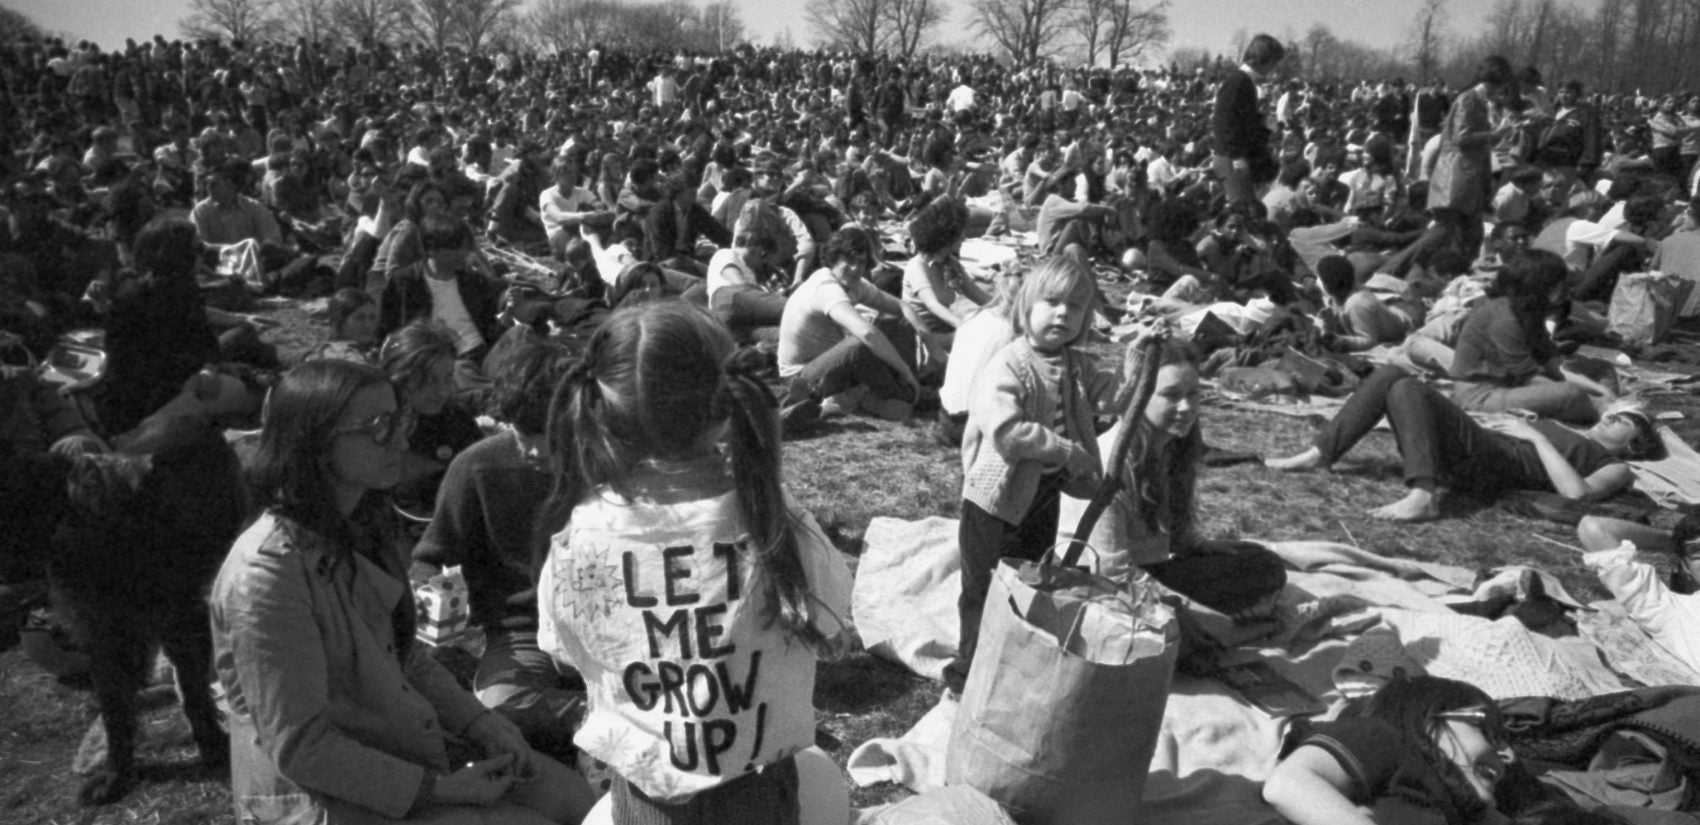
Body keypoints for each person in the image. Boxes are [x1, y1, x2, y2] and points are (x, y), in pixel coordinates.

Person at [210, 358, 596, 825]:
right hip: (320, 801)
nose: (401, 439)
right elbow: (302, 749)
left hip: (405, 749)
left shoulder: (360, 527)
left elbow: (403, 658)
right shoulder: (266, 577)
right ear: (313, 441)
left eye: (401, 420)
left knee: (591, 808)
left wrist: (482, 723)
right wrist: (438, 790)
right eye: (378, 426)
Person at [534, 300, 852, 824]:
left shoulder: (581, 535)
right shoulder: (775, 518)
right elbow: (832, 618)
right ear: (726, 405)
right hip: (759, 790)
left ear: (601, 409)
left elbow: (562, 649)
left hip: (643, 796)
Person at [944, 256, 1124, 696]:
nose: (1064, 313)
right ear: (1027, 306)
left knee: (1032, 577)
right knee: (984, 587)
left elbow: (1116, 397)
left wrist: (1141, 354)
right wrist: (1065, 451)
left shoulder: (1078, 365)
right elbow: (1007, 433)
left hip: (1044, 494)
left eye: (1077, 307)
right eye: (1053, 302)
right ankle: (968, 670)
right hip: (996, 500)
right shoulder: (1009, 363)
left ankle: (1015, 658)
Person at [412, 339, 586, 766]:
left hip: (612, 626)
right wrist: (432, 601)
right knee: (499, 702)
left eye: (549, 434)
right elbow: (432, 555)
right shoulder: (477, 467)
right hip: (524, 631)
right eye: (522, 433)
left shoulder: (613, 461)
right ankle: (599, 717)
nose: (535, 449)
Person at [1058, 333, 1287, 619]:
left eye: (1193, 394)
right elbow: (1110, 572)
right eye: (1171, 395)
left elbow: (1170, 530)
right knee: (1255, 577)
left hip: (1147, 567)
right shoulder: (1111, 465)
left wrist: (1199, 547)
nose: (1187, 407)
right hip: (1094, 582)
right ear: (1138, 397)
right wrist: (1183, 605)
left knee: (1261, 562)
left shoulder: (1171, 446)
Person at [1266, 365, 1661, 521]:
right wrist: (1524, 425)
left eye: (1628, 420)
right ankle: (1321, 453)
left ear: (1635, 445)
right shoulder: (1570, 426)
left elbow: (1577, 493)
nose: (1614, 416)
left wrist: (1537, 438)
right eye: (1616, 410)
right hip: (1485, 447)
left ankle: (1423, 493)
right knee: (1391, 376)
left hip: (1494, 466)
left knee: (1407, 386)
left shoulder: (1618, 467)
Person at [1264, 675, 1526, 825]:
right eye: (1489, 731)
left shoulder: (1462, 805)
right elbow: (1291, 783)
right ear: (1425, 717)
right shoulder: (1386, 737)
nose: (1508, 756)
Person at [777, 227, 939, 430]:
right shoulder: (826, 288)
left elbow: (902, 306)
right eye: (850, 261)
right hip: (802, 377)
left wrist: (933, 347)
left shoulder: (854, 284)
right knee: (859, 344)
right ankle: (905, 395)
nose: (855, 268)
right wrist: (904, 369)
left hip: (830, 366)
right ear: (834, 259)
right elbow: (867, 334)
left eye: (861, 262)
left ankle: (901, 391)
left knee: (898, 323)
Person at [1450, 250, 1609, 424]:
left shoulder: (1531, 311)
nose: (1564, 288)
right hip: (1482, 394)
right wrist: (1593, 399)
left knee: (1600, 368)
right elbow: (1528, 377)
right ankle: (1606, 413)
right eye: (1559, 284)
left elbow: (1552, 362)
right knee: (1569, 393)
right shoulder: (1505, 318)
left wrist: (1600, 390)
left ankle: (1606, 405)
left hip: (1512, 384)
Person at [1428, 57, 1517, 259]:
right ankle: (1394, 268)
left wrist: (1498, 135)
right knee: (1441, 235)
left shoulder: (1479, 102)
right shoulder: (1469, 99)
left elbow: (1475, 141)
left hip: (1470, 179)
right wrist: (1496, 134)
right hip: (1456, 177)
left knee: (1471, 237)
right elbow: (1462, 138)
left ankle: (1459, 274)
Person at [902, 197, 990, 338]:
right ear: (946, 236)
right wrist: (961, 325)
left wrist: (1009, 308)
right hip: (924, 335)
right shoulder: (917, 266)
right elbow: (933, 305)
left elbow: (980, 296)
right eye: (959, 235)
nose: (963, 238)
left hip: (945, 328)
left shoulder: (950, 264)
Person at [1212, 34, 1286, 202]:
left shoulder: (1245, 81)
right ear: (1261, 59)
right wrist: (1237, 157)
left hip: (1233, 155)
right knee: (1242, 209)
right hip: (1230, 157)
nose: (1274, 67)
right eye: (1273, 62)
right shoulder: (1238, 81)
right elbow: (1225, 122)